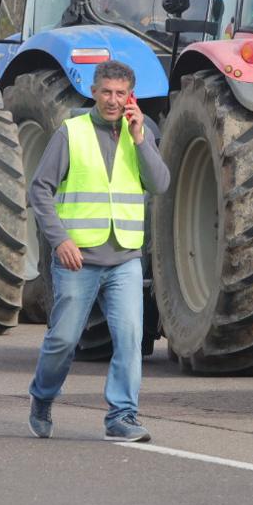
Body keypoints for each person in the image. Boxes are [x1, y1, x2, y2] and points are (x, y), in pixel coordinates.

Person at [26, 60, 169, 442]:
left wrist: (141, 139)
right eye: (106, 92)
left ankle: (122, 414)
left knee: (129, 337)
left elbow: (159, 183)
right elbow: (39, 190)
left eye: (121, 94)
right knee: (64, 339)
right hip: (78, 259)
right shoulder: (71, 133)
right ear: (93, 92)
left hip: (124, 257)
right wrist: (60, 239)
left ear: (130, 96)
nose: (113, 100)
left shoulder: (138, 134)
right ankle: (42, 397)